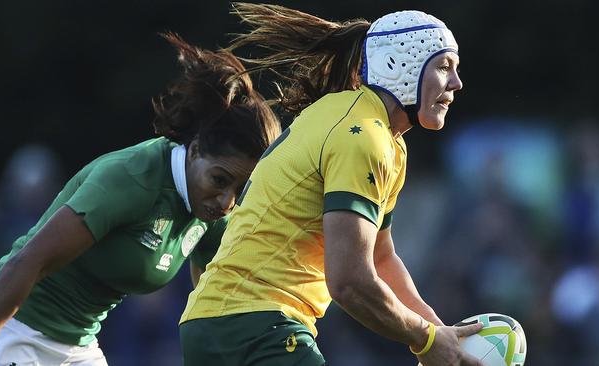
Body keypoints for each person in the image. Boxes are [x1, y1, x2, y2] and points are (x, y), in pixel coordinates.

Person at [179, 4, 484, 366]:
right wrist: (425, 338)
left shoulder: (377, 133)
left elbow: (380, 258)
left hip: (223, 322)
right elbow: (349, 282)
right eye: (444, 66)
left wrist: (439, 334)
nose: (456, 83)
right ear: (400, 64)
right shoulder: (364, 137)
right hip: (256, 324)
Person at [0, 33, 281, 366]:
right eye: (220, 180)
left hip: (77, 347)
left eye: (241, 190)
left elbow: (214, 300)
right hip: (12, 332)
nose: (226, 201)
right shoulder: (130, 180)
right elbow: (27, 261)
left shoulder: (210, 210)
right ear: (197, 148)